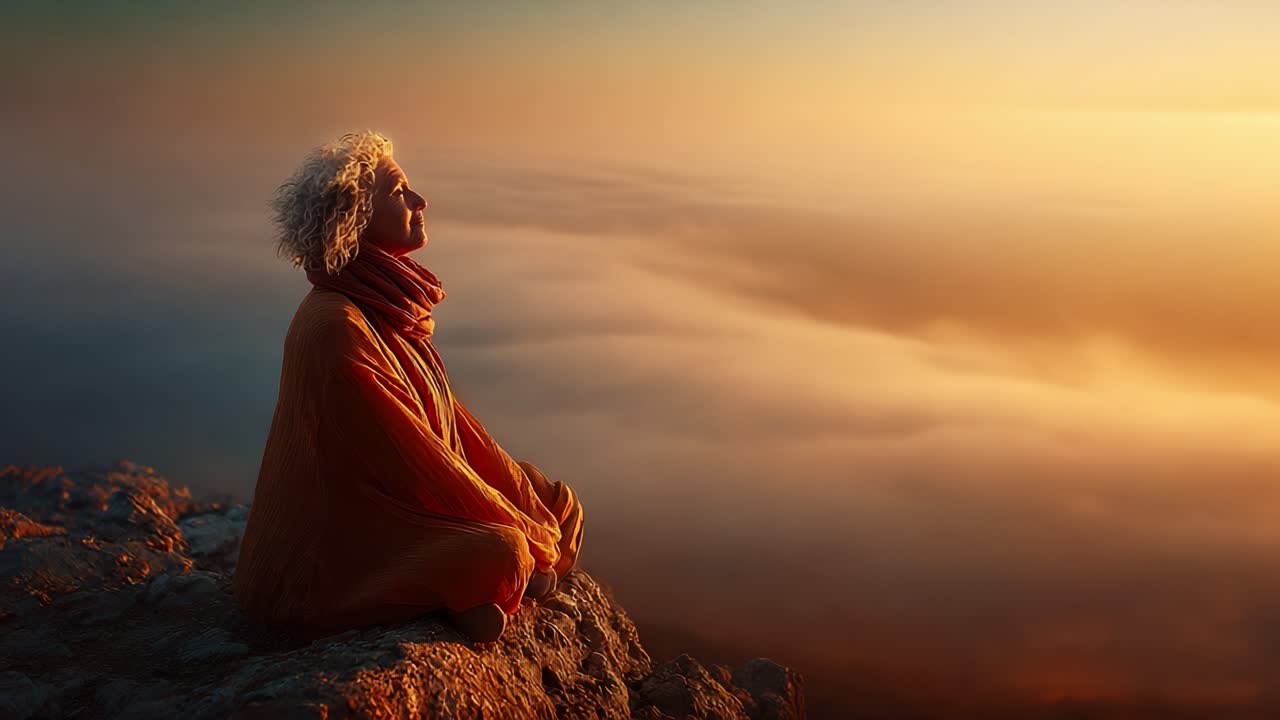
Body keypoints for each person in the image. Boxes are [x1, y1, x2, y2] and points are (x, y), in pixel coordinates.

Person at [232, 131, 585, 644]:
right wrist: (528, 536)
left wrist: (531, 508)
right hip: (326, 559)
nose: (420, 201)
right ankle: (466, 592)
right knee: (504, 549)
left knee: (552, 498)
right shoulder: (337, 326)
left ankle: (475, 589)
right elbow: (416, 462)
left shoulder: (387, 310)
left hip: (397, 507)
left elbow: (455, 434)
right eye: (399, 191)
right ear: (354, 214)